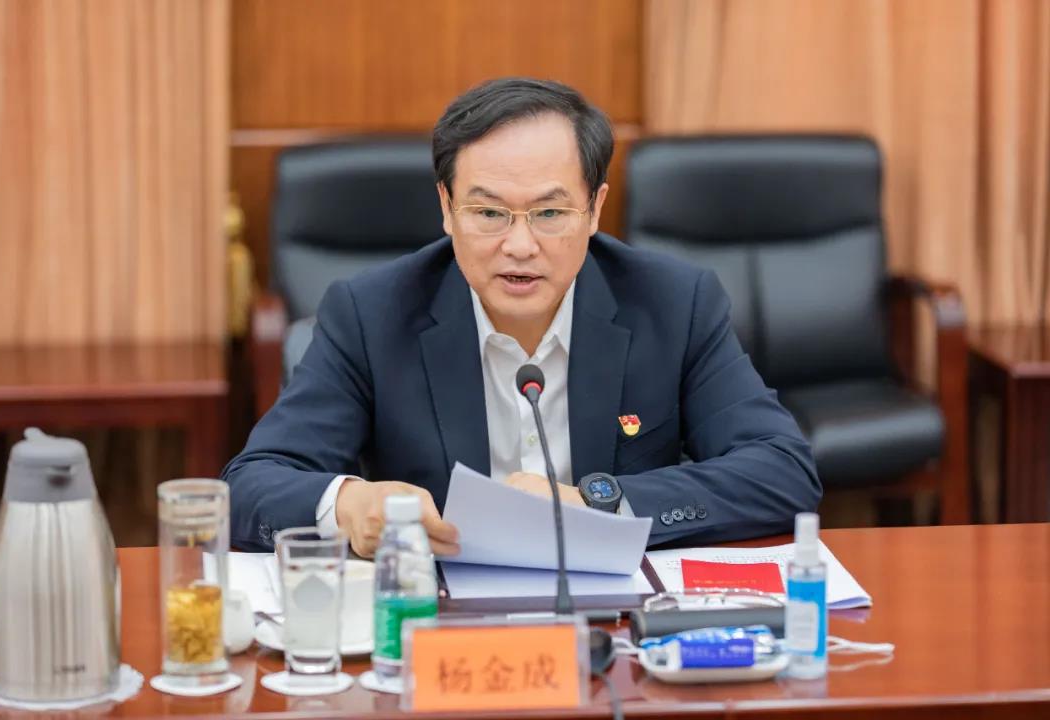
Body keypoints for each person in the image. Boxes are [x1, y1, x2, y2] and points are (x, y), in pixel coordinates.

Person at [223, 77, 821, 556]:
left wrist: (597, 504)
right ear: (446, 208)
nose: (519, 246)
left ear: (595, 210)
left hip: (614, 623)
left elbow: (783, 471)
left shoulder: (672, 303)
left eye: (550, 213)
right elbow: (250, 485)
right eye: (489, 214)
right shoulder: (371, 314)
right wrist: (349, 504)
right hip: (438, 625)